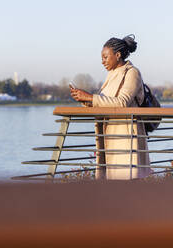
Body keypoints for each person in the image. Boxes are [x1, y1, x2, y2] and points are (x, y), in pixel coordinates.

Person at [70, 35, 151, 180]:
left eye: (105, 57)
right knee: (114, 182)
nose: (102, 61)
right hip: (110, 134)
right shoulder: (111, 74)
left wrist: (90, 97)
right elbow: (105, 102)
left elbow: (122, 102)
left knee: (128, 180)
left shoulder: (132, 72)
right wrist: (84, 99)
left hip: (127, 135)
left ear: (118, 55)